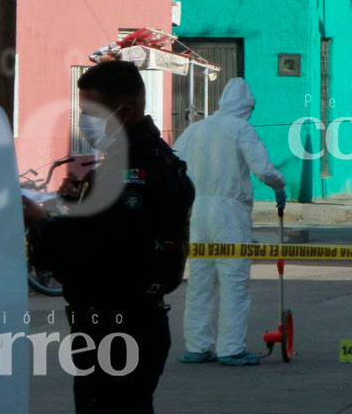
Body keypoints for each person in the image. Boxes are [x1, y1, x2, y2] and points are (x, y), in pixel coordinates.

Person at [22, 61, 195, 414]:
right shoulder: (151, 158)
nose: (84, 122)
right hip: (127, 323)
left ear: (124, 112)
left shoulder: (129, 172)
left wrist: (43, 222)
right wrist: (76, 203)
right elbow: (113, 232)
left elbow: (101, 255)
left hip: (117, 326)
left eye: (90, 112)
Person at [173, 78, 287, 366]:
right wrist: (279, 185)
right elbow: (262, 169)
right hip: (230, 213)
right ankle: (230, 348)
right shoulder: (241, 129)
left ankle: (198, 345)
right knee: (234, 280)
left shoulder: (195, 130)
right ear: (247, 107)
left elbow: (174, 165)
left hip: (197, 210)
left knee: (200, 280)